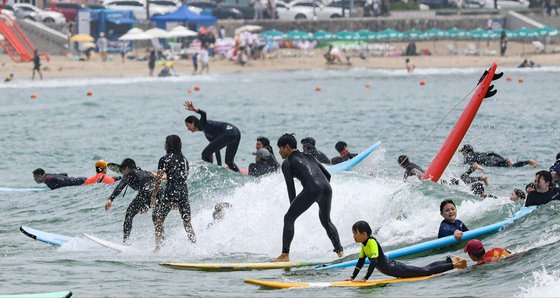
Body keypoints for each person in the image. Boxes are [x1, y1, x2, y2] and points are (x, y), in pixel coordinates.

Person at [274, 134, 344, 262]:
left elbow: (291, 189)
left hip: (312, 189)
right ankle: (340, 252)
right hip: (327, 188)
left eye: (280, 148)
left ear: (287, 147)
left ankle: (284, 255)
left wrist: (293, 210)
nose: (279, 152)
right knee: (326, 221)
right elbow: (327, 175)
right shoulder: (310, 156)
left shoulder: (287, 163)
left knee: (288, 218)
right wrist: (321, 192)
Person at [346, 221, 466, 282]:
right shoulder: (364, 244)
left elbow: (374, 262)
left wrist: (365, 278)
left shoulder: (372, 242)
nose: (353, 236)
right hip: (394, 268)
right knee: (425, 269)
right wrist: (352, 278)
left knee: (426, 271)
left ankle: (455, 265)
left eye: (355, 233)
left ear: (364, 233)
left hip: (396, 269)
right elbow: (361, 262)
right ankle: (450, 260)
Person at [151, 135, 196, 251]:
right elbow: (184, 177)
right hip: (183, 191)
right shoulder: (184, 160)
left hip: (170, 190)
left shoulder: (164, 159)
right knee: (187, 221)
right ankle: (195, 244)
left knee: (159, 220)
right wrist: (178, 199)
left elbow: (158, 179)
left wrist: (154, 195)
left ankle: (157, 248)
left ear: (168, 145)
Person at [104, 158, 159, 242]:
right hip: (157, 192)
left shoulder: (129, 173)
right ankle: (160, 242)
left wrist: (110, 199)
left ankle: (125, 241)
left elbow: (120, 186)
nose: (122, 173)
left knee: (129, 215)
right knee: (157, 220)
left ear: (126, 168)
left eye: (122, 170)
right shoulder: (144, 172)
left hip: (145, 193)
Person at [184, 101, 241, 172]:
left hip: (229, 133)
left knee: (205, 154)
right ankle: (240, 175)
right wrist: (219, 165)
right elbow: (216, 149)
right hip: (236, 133)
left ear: (192, 123)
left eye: (187, 125)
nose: (187, 128)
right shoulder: (207, 133)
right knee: (229, 162)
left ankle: (209, 172)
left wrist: (195, 110)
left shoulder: (202, 124)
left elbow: (203, 114)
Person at [459, 144, 538, 168]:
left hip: (490, 161)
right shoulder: (477, 153)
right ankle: (528, 162)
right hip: (494, 157)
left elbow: (466, 163)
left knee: (507, 165)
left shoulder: (468, 156)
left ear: (466, 151)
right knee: (511, 166)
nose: (462, 153)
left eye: (462, 151)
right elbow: (491, 153)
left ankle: (506, 160)